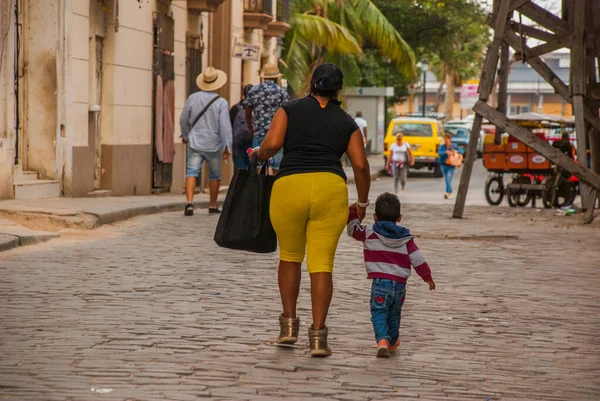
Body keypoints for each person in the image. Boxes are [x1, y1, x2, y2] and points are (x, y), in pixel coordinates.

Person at [248, 63, 371, 357]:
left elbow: (273, 145)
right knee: (321, 264)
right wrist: (362, 203)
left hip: (289, 188)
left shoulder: (288, 110)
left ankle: (288, 328)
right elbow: (361, 165)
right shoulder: (347, 122)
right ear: (338, 89)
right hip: (330, 191)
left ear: (312, 84)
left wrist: (258, 154)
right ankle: (318, 339)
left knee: (290, 257)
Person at [347, 192, 435, 358]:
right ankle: (393, 341)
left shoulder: (369, 232)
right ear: (399, 217)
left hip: (380, 284)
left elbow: (352, 230)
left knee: (378, 312)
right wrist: (427, 277)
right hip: (400, 286)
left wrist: (352, 212)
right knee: (394, 314)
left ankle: (382, 341)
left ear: (374, 217)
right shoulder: (405, 237)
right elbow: (417, 259)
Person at [180, 67, 232, 216]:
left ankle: (189, 202)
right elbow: (224, 126)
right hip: (213, 143)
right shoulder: (221, 102)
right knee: (215, 175)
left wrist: (185, 135)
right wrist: (227, 145)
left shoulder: (192, 98)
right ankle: (212, 205)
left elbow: (183, 119)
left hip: (195, 141)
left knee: (191, 171)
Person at [243, 63, 290, 173]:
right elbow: (287, 112)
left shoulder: (254, 91)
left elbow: (248, 111)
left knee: (259, 164)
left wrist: (250, 126)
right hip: (277, 134)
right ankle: (273, 188)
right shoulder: (281, 92)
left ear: (264, 77)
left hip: (259, 132)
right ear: (276, 77)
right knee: (277, 166)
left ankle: (260, 188)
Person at [230, 85, 254, 170]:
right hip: (252, 142)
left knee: (239, 170)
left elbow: (230, 125)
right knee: (252, 167)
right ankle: (251, 183)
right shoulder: (257, 107)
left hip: (238, 143)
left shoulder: (235, 108)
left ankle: (240, 183)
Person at [438, 132, 458, 199]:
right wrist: (445, 152)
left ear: (450, 139)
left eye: (447, 139)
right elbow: (439, 153)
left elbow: (461, 150)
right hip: (443, 164)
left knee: (448, 178)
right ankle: (450, 192)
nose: (445, 141)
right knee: (446, 179)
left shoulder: (454, 146)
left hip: (451, 165)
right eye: (445, 139)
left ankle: (447, 192)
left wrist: (454, 151)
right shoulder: (442, 147)